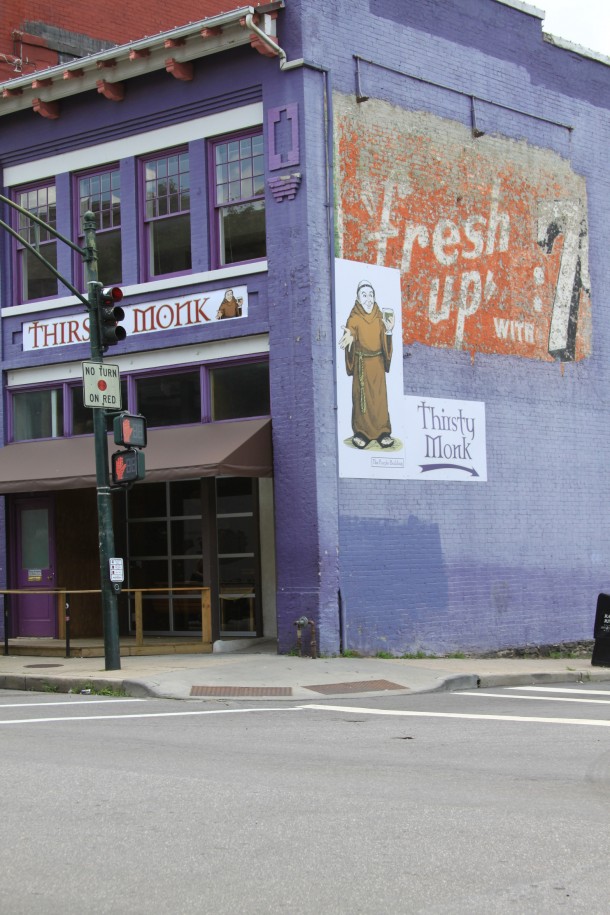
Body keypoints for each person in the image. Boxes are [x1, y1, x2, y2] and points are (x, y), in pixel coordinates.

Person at [339, 279, 395, 449]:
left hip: (377, 365)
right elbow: (350, 333)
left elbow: (385, 343)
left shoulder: (380, 318)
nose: (368, 299)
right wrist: (349, 340)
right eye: (364, 295)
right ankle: (361, 433)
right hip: (361, 366)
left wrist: (389, 330)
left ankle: (383, 433)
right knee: (361, 400)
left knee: (379, 400)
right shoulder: (354, 318)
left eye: (371, 295)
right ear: (358, 299)